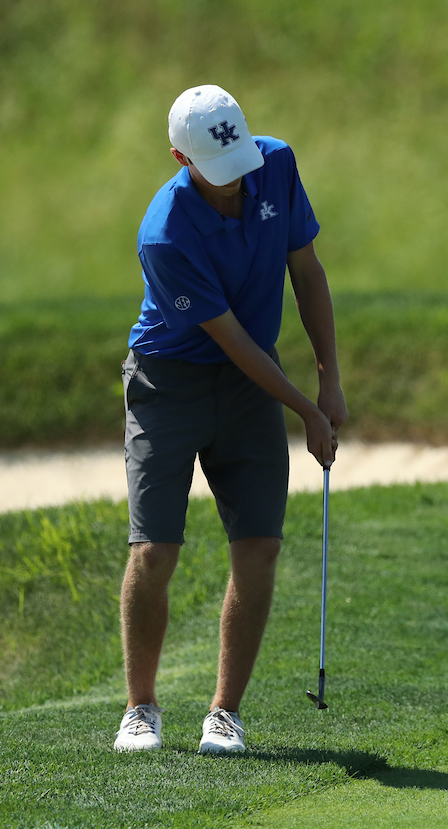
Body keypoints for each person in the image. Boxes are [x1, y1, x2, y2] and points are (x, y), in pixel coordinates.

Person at [112, 85, 346, 754]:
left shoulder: (275, 165)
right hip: (171, 380)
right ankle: (140, 707)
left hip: (250, 385)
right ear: (180, 157)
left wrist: (330, 378)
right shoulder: (165, 231)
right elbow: (233, 341)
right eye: (217, 171)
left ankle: (225, 712)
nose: (235, 182)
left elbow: (307, 270)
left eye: (238, 160)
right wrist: (304, 405)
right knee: (155, 549)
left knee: (260, 545)